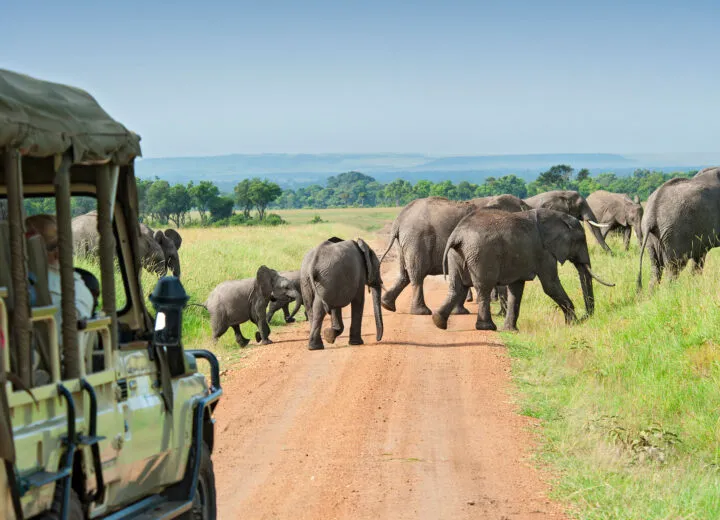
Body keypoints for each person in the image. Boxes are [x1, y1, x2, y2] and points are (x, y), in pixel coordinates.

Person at [25, 215, 94, 343]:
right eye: (51, 247)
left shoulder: (15, 284)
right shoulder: (70, 288)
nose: (59, 253)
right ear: (31, 249)